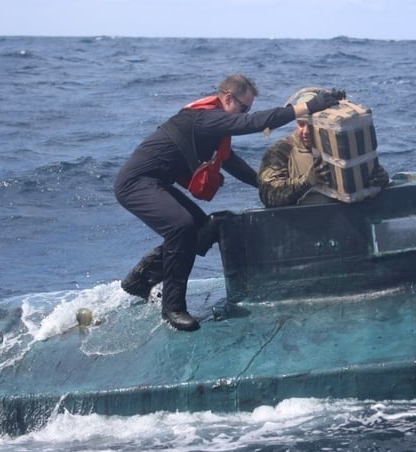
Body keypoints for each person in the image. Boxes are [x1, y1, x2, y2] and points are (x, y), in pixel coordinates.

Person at [114, 74, 342, 331]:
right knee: (181, 226)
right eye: (243, 108)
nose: (245, 114)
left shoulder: (214, 129)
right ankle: (173, 308)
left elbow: (230, 162)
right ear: (228, 98)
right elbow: (254, 123)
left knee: (203, 227)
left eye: (248, 110)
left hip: (155, 182)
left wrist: (263, 185)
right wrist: (309, 106)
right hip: (135, 183)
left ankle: (141, 280)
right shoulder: (206, 119)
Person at [258, 89, 389, 208]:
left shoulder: (343, 147)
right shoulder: (281, 151)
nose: (306, 131)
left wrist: (379, 180)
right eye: (301, 124)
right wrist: (307, 181)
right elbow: (268, 195)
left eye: (311, 125)